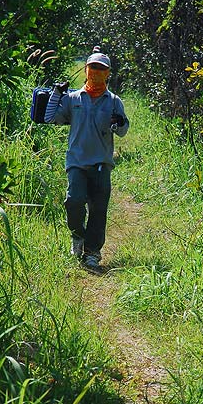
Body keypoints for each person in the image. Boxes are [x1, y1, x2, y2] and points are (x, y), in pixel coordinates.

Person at [44, 46, 129, 272]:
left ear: (108, 73)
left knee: (99, 209)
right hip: (76, 162)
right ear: (86, 70)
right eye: (93, 68)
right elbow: (50, 117)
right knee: (73, 201)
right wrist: (56, 94)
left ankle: (93, 253)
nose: (97, 73)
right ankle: (77, 237)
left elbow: (122, 130)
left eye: (101, 69)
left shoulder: (113, 101)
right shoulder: (73, 98)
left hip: (102, 163)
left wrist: (119, 122)